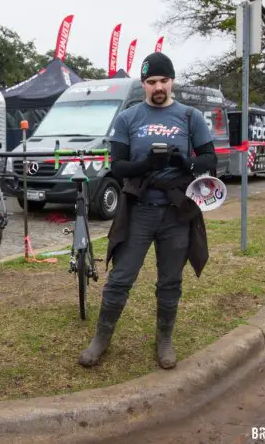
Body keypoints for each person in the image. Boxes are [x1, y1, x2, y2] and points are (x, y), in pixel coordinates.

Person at [78, 53, 217, 369]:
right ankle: (100, 340)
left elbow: (210, 158)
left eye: (163, 81)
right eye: (151, 81)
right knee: (120, 278)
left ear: (172, 81)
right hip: (139, 210)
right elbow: (118, 164)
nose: (158, 87)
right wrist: (147, 165)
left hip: (176, 212)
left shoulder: (189, 116)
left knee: (170, 281)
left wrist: (187, 163)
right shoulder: (128, 117)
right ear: (143, 84)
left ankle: (164, 340)